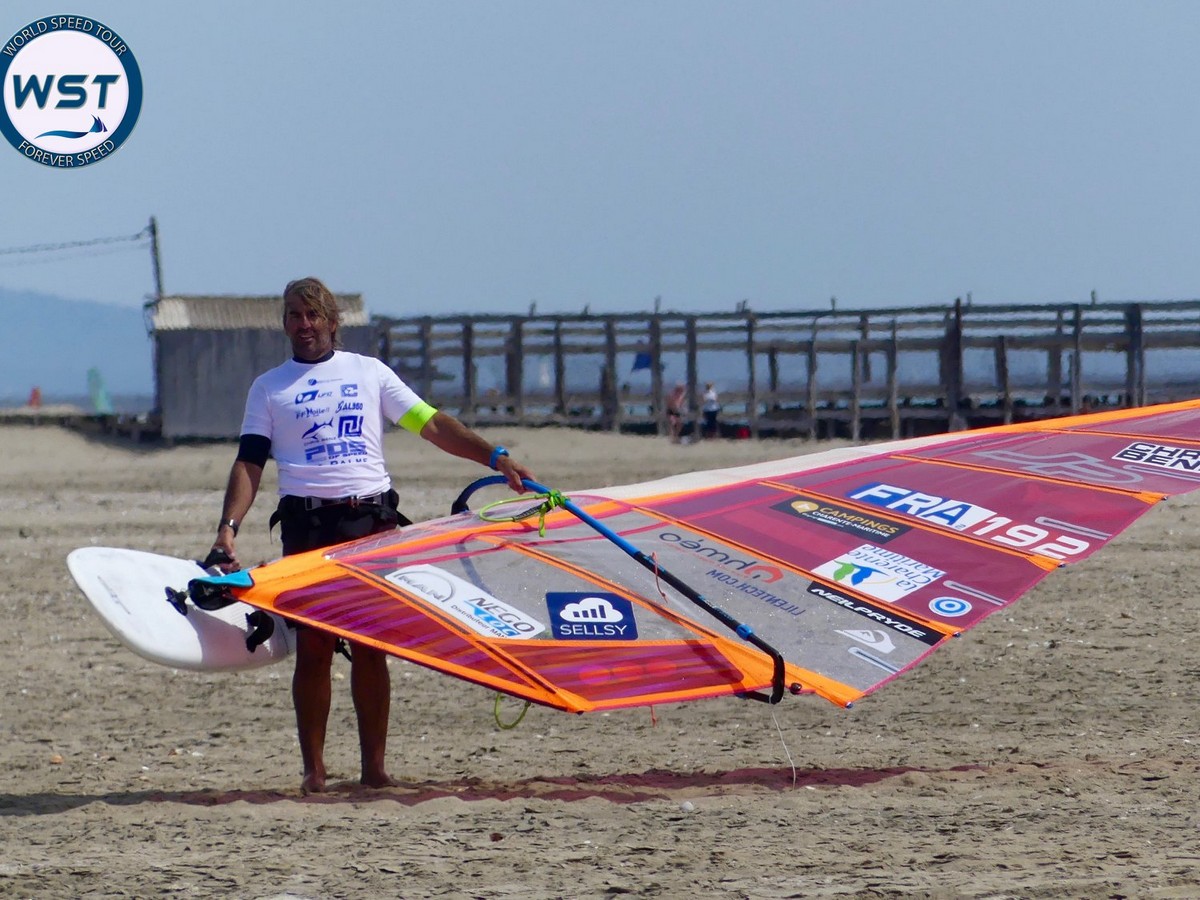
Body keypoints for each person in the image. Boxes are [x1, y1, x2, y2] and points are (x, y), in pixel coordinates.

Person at [209, 276, 534, 794]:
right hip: (306, 522)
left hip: (371, 522)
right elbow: (249, 462)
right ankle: (314, 772)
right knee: (314, 649)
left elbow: (431, 425)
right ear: (285, 323)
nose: (304, 324)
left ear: (333, 323)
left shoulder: (368, 373)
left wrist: (494, 457)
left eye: (314, 315)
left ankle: (373, 769)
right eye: (295, 315)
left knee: (370, 646)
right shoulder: (270, 387)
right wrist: (228, 530)